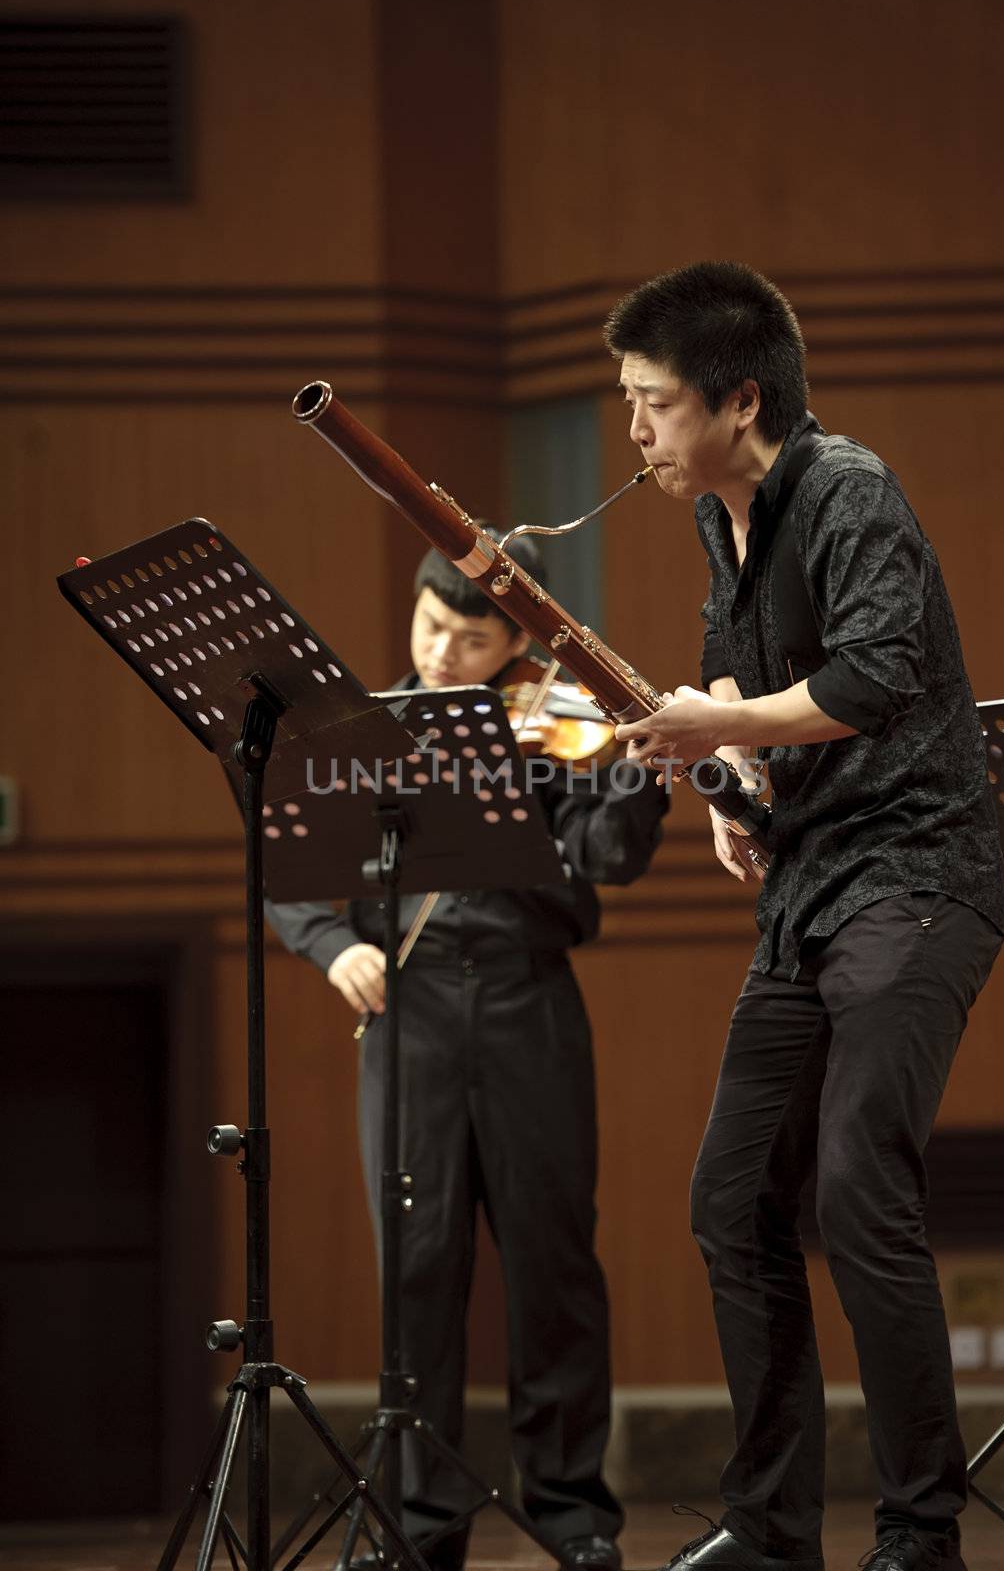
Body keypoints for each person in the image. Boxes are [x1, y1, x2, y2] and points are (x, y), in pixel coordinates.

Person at [604, 262, 1004, 1571]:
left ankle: (917, 1537)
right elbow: (760, 700)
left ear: (739, 397)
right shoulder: (719, 527)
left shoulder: (847, 489)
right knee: (731, 1198)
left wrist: (716, 720)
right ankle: (773, 1533)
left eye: (653, 405)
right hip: (813, 890)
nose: (636, 434)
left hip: (919, 873)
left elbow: (875, 677)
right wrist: (733, 788)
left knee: (856, 1187)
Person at [268, 529, 669, 1571]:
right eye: (432, 626)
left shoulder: (555, 720)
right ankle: (421, 1522)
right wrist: (333, 945)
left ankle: (574, 1512)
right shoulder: (367, 729)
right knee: (418, 1266)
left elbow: (611, 861)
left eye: (472, 638)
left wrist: (641, 760)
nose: (444, 653)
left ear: (514, 644)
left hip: (531, 1001)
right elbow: (291, 863)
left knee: (555, 1263)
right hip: (412, 1010)